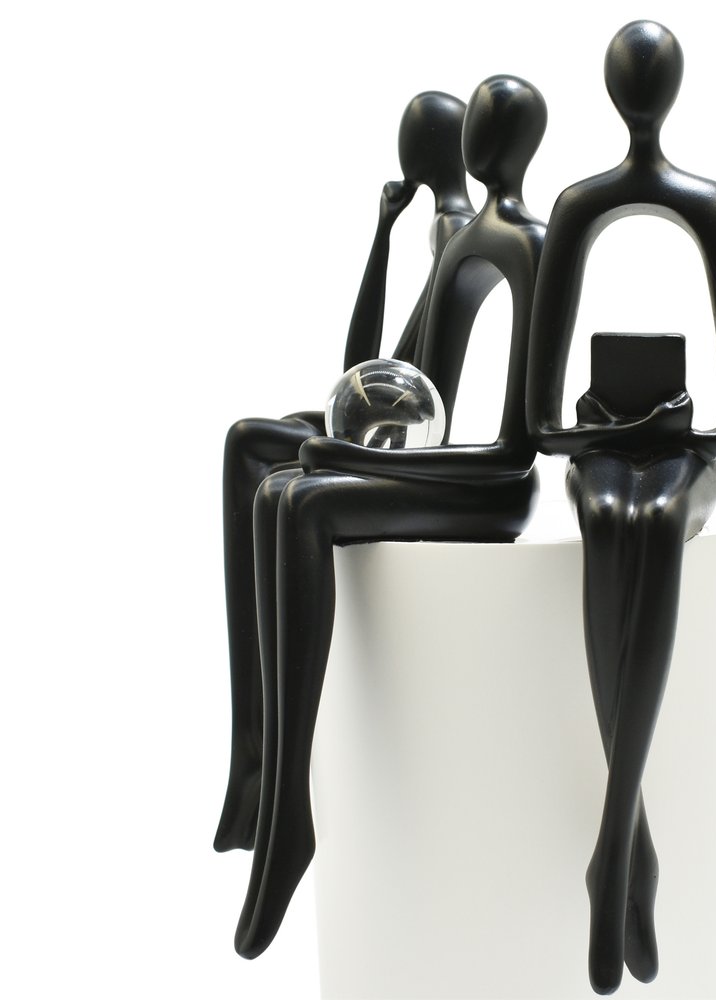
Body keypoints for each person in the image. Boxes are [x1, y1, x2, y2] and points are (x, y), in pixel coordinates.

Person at [235, 74, 549, 960]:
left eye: (483, 121)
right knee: (279, 488)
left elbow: (515, 450)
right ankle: (270, 779)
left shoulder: (532, 246)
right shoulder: (468, 243)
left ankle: (289, 809)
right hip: (439, 457)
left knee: (302, 498)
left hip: (497, 487)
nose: (469, 136)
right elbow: (385, 376)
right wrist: (356, 450)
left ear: (506, 140)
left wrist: (366, 460)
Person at [525, 21, 716, 994]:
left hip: (680, 448)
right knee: (609, 518)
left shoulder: (710, 206)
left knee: (654, 519)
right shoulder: (579, 206)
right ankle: (631, 849)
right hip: (604, 442)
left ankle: (612, 850)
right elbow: (542, 426)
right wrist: (608, 432)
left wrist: (664, 429)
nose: (641, 90)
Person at [213, 92, 475, 853]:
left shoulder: (460, 233)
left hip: (412, 447)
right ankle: (254, 756)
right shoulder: (438, 227)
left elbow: (422, 387)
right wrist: (381, 236)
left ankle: (259, 760)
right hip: (383, 426)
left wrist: (355, 441)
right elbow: (361, 365)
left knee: (253, 448)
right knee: (250, 444)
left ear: (428, 147)